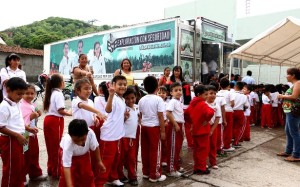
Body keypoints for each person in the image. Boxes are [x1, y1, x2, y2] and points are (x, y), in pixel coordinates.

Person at [0, 77, 32, 187]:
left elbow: (16, 120)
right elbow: (1, 127)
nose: (21, 97)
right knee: (10, 168)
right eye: (19, 94)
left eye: (22, 94)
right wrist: (17, 135)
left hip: (19, 138)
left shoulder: (16, 102)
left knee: (19, 166)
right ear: (8, 90)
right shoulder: (4, 106)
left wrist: (27, 128)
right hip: (9, 140)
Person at [96, 75, 127, 187]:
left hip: (118, 135)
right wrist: (111, 95)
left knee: (116, 159)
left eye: (124, 84)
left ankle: (112, 178)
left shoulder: (122, 99)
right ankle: (99, 182)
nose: (122, 86)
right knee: (106, 161)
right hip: (108, 136)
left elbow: (117, 115)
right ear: (113, 85)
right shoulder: (112, 98)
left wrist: (125, 116)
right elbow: (108, 109)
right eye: (120, 84)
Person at [58, 119, 106, 187]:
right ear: (70, 135)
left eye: (83, 139)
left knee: (87, 175)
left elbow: (95, 147)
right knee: (68, 178)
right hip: (70, 157)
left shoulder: (90, 134)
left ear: (87, 133)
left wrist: (99, 161)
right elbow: (66, 166)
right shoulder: (67, 142)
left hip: (84, 155)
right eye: (76, 141)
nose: (80, 143)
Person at [43, 73, 72, 179]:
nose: (64, 83)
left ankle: (51, 168)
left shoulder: (51, 92)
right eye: (64, 81)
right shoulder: (59, 93)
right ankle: (56, 171)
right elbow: (60, 110)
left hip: (48, 120)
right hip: (55, 120)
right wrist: (70, 113)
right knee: (57, 147)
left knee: (50, 147)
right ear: (60, 83)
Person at [138, 76, 167, 182]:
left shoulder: (141, 100)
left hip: (144, 127)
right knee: (155, 151)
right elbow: (160, 116)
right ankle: (154, 175)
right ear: (157, 87)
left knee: (145, 150)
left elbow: (140, 115)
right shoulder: (158, 100)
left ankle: (146, 172)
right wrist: (163, 131)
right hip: (154, 128)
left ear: (145, 87)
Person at [184, 85, 215, 175]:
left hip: (195, 131)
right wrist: (206, 120)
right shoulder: (202, 104)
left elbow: (186, 114)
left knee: (196, 150)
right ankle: (201, 168)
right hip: (203, 130)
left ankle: (196, 167)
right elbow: (211, 112)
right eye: (205, 95)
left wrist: (191, 123)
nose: (206, 97)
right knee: (203, 150)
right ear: (199, 94)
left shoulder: (191, 104)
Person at [20, 84, 47, 183]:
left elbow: (33, 114)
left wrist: (37, 113)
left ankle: (35, 174)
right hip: (25, 135)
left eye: (32, 93)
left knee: (34, 155)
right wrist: (30, 117)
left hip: (32, 134)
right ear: (22, 94)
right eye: (27, 93)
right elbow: (20, 121)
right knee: (25, 157)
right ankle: (21, 177)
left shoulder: (31, 105)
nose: (30, 96)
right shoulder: (21, 105)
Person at [117, 86, 139, 186]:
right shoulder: (123, 108)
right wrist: (125, 118)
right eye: (127, 98)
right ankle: (120, 175)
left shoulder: (137, 107)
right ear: (124, 99)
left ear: (136, 97)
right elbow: (119, 122)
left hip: (132, 138)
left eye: (132, 98)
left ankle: (132, 176)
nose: (130, 100)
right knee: (121, 158)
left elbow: (138, 119)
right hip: (123, 137)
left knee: (131, 158)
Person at [277, 68, 300, 162]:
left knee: (294, 132)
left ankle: (296, 154)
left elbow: (294, 96)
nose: (286, 76)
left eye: (287, 74)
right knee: (288, 131)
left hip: (293, 111)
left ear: (293, 75)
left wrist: (282, 96)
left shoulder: (298, 83)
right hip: (289, 111)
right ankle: (288, 150)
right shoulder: (295, 84)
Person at [206, 85, 221, 169]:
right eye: (210, 93)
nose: (213, 95)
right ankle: (204, 162)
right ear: (206, 94)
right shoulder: (204, 104)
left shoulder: (217, 105)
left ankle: (213, 162)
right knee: (205, 145)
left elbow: (217, 118)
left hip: (213, 127)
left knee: (213, 145)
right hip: (205, 127)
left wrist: (212, 129)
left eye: (214, 93)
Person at [218, 78, 235, 152]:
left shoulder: (217, 93)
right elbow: (232, 103)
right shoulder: (230, 93)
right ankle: (226, 146)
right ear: (228, 85)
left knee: (221, 129)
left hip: (220, 112)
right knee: (228, 129)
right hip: (228, 111)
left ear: (220, 85)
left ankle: (220, 144)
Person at [232, 81, 249, 148]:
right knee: (238, 127)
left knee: (230, 127)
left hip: (232, 111)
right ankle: (235, 142)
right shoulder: (244, 96)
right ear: (242, 88)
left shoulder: (231, 94)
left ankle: (229, 140)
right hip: (240, 112)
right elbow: (247, 106)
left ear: (235, 87)